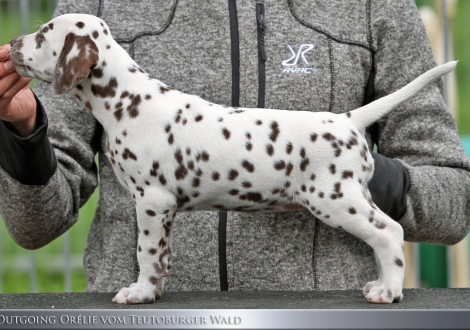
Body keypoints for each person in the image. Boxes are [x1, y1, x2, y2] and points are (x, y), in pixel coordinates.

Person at [0, 0, 469, 294]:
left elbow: (453, 201)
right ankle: (150, 281)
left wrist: (331, 168)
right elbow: (33, 226)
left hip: (327, 314)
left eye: (42, 37)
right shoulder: (97, 10)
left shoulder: (374, 7)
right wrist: (24, 130)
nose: (30, 42)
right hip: (141, 322)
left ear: (75, 63)